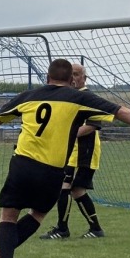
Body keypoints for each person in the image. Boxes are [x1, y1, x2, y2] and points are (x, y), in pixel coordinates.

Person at [0, 59, 130, 258]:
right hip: (52, 170)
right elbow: (120, 111)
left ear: (47, 78)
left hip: (23, 164)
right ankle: (3, 257)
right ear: (71, 81)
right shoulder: (78, 98)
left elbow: (0, 115)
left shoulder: (29, 96)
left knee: (8, 215)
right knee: (37, 215)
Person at [40, 64, 109, 240]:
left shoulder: (88, 97)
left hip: (83, 152)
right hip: (71, 152)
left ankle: (63, 229)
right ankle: (94, 229)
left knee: (66, 188)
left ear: (84, 78)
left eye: (77, 74)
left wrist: (65, 134)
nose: (74, 78)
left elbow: (93, 125)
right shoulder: (68, 97)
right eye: (72, 74)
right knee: (76, 191)